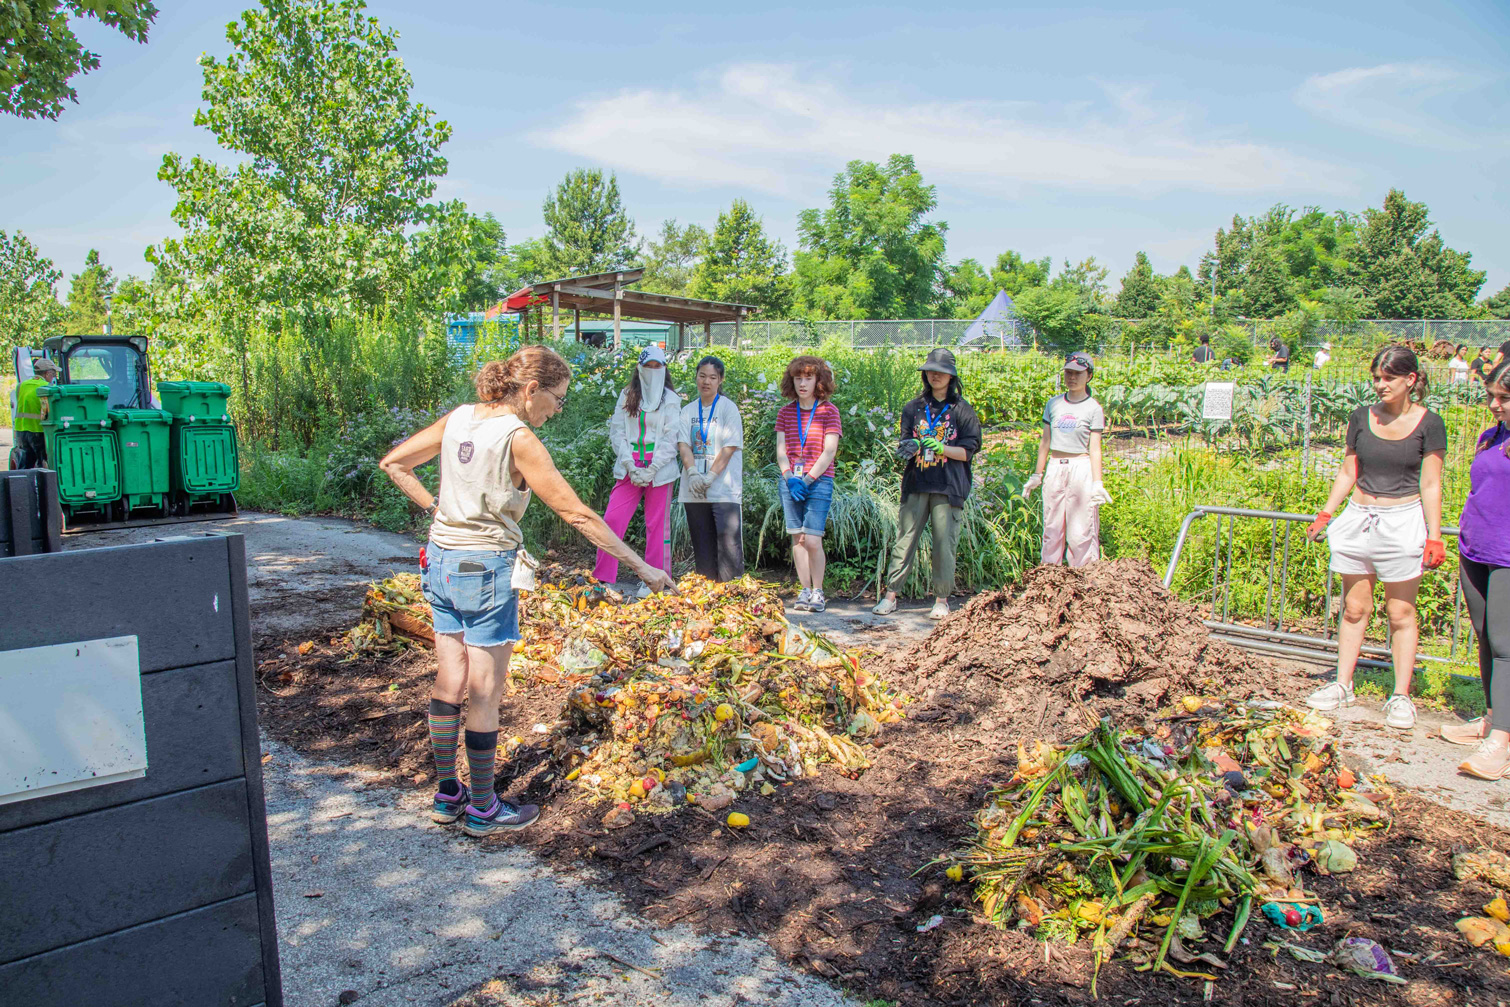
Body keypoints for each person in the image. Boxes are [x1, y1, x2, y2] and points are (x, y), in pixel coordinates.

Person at [380, 347, 676, 837]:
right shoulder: (518, 438)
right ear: (532, 389)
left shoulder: (459, 418)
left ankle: (446, 793)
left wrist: (438, 509)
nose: (557, 410)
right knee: (484, 691)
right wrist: (642, 567)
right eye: (556, 399)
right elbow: (578, 514)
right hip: (485, 568)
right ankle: (483, 807)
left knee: (448, 680)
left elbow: (395, 463)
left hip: (440, 561)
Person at [1303, 345, 1447, 730]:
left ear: (1410, 380)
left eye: (1388, 378)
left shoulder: (1430, 424)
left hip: (1403, 521)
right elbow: (1348, 471)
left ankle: (1400, 696)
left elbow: (1431, 483)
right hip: (1359, 518)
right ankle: (1342, 684)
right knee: (1354, 608)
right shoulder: (1360, 417)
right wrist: (1326, 512)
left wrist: (1435, 536)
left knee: (1400, 613)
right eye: (1376, 378)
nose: (1380, 385)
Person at [872, 349, 982, 620]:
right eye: (931, 370)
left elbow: (969, 450)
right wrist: (909, 446)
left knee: (944, 544)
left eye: (941, 371)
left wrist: (943, 448)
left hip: (948, 486)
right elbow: (905, 440)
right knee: (905, 540)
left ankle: (942, 600)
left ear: (952, 376)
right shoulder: (913, 408)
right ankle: (890, 596)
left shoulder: (963, 410)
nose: (935, 375)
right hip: (917, 482)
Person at [1444, 361, 1510, 778]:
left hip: (1507, 555)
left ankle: (1501, 743)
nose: (1493, 405)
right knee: (1486, 637)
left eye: (1503, 399)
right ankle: (1491, 716)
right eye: (1491, 397)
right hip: (1476, 549)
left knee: (1506, 646)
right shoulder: (1491, 438)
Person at [594, 345, 683, 596]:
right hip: (629, 469)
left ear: (664, 370)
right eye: (648, 367)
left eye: (658, 367)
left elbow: (671, 437)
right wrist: (630, 465)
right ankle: (603, 579)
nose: (653, 371)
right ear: (639, 368)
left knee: (657, 526)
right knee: (612, 519)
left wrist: (653, 468)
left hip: (660, 471)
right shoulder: (627, 395)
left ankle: (654, 580)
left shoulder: (671, 399)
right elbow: (618, 431)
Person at [1023, 351, 1110, 567]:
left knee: (1081, 531)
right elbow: (1045, 441)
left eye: (1078, 374)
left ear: (1088, 376)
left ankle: (1084, 579)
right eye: (1068, 373)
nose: (1072, 378)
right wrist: (1037, 474)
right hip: (1055, 465)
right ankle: (1049, 579)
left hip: (1080, 467)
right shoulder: (1053, 404)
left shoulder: (1093, 408)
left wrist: (1097, 483)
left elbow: (1095, 448)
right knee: (1052, 528)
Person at [775, 355, 841, 613]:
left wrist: (807, 479)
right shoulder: (785, 413)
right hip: (791, 481)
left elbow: (829, 451)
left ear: (818, 381)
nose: (803, 383)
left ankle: (818, 591)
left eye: (809, 378)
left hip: (819, 481)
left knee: (813, 540)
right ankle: (804, 590)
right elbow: (781, 451)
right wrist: (790, 478)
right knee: (798, 540)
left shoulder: (829, 411)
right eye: (798, 378)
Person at [676, 355, 745, 582]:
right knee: (703, 552)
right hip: (694, 490)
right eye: (702, 376)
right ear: (696, 377)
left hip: (723, 489)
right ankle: (707, 602)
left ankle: (733, 599)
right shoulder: (687, 411)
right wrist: (693, 473)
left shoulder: (728, 408)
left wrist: (711, 476)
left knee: (729, 550)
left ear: (720, 380)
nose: (706, 381)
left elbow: (729, 447)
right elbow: (684, 444)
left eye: (712, 377)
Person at [10, 356, 57, 469]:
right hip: (37, 431)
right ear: (46, 374)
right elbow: (48, 411)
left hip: (21, 430)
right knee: (43, 465)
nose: (54, 377)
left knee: (25, 464)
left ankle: (21, 485)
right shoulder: (47, 388)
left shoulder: (21, 385)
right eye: (53, 374)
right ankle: (43, 486)